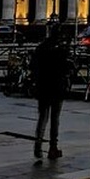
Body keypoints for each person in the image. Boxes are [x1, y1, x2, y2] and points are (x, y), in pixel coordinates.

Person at [31, 26, 72, 159]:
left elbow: (33, 66)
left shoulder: (41, 48)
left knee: (43, 117)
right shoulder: (61, 50)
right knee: (55, 119)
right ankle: (53, 147)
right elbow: (66, 67)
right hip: (57, 87)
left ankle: (38, 145)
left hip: (43, 87)